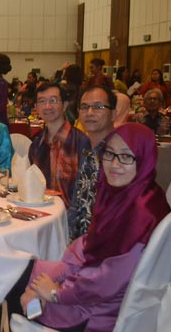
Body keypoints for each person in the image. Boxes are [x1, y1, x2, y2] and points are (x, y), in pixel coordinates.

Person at [0, 123, 171, 332]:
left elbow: (106, 281)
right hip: (84, 284)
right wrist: (47, 281)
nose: (114, 164)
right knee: (9, 274)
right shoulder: (135, 196)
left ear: (144, 158)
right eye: (110, 154)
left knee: (2, 283)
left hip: (93, 311)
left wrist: (54, 292)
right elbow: (88, 247)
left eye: (126, 156)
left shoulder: (140, 214)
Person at [68, 85, 117, 241]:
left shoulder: (118, 157)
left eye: (98, 107)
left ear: (114, 114)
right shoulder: (88, 152)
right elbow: (78, 205)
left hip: (104, 246)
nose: (89, 113)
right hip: (80, 242)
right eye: (84, 107)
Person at [28, 83, 90, 207]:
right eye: (42, 101)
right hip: (42, 214)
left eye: (53, 100)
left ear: (65, 105)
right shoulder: (36, 145)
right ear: (36, 107)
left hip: (70, 220)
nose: (47, 106)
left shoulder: (80, 142)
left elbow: (87, 189)